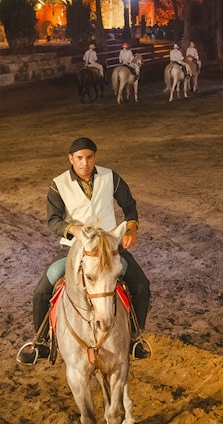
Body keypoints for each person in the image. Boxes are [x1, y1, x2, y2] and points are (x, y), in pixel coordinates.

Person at [16, 137, 151, 364]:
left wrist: (132, 228)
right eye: (79, 158)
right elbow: (53, 220)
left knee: (140, 285)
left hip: (108, 247)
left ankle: (135, 338)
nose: (84, 163)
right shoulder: (58, 184)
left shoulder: (110, 177)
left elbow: (129, 206)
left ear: (94, 157)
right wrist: (72, 229)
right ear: (71, 158)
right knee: (42, 291)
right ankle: (40, 342)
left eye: (89, 157)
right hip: (73, 248)